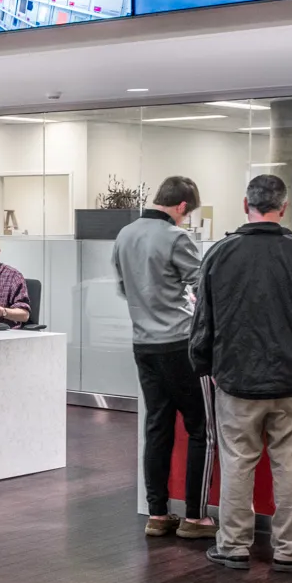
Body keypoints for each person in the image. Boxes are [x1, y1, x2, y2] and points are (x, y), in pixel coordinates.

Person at [190, 174, 292, 572]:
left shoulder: (219, 254)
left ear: (245, 205)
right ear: (284, 207)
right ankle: (291, 551)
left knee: (238, 462)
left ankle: (234, 546)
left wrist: (204, 364)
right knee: (290, 464)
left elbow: (204, 320)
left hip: (236, 381)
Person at [113, 176, 216, 540]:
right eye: (188, 215)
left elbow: (126, 288)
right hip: (179, 345)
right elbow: (203, 287)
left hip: (143, 345)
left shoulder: (124, 235)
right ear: (182, 207)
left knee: (156, 427)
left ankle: (157, 514)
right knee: (200, 428)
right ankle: (195, 517)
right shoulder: (176, 237)